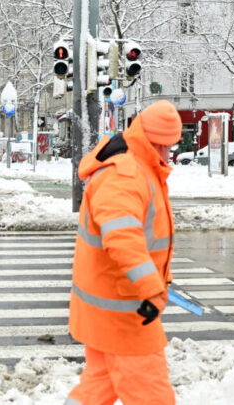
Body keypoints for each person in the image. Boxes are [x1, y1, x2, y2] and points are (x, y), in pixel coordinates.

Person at [66, 100, 182, 405]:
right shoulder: (126, 175)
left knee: (98, 385)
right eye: (166, 146)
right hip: (127, 310)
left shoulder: (136, 167)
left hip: (113, 305)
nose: (169, 154)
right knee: (152, 395)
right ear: (153, 141)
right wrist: (151, 289)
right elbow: (122, 238)